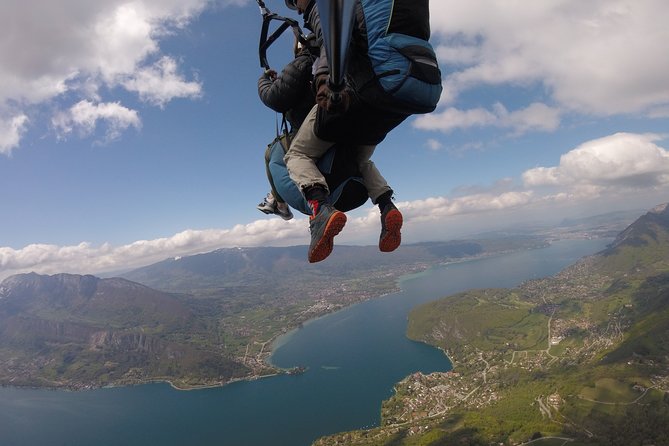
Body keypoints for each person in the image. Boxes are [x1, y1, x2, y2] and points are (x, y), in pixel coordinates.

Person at [284, 0, 422, 263]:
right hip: (387, 96)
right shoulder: (367, 15)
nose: (297, 9)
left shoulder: (321, 9)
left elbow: (329, 39)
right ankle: (386, 205)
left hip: (348, 95)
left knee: (296, 156)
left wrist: (324, 81)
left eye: (294, 2)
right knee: (362, 161)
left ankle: (320, 207)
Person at [256, 34, 320, 221]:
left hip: (307, 126)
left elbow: (275, 98)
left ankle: (280, 204)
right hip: (324, 120)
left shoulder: (304, 62)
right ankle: (384, 200)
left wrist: (264, 80)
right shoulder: (329, 62)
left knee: (271, 155)